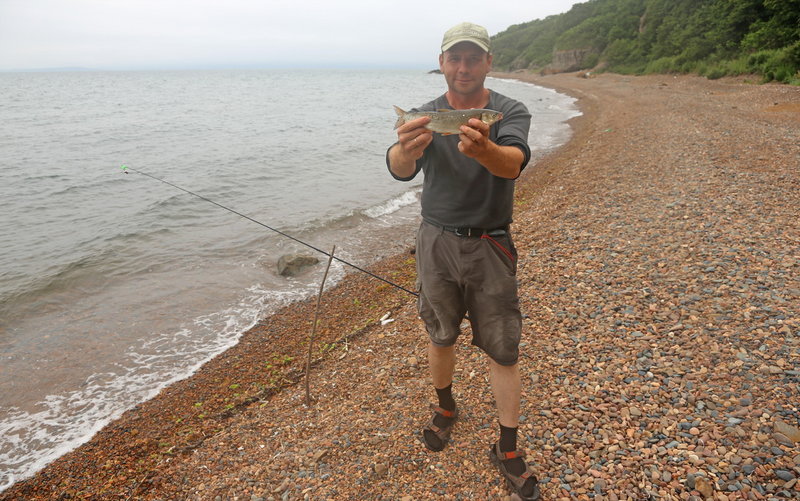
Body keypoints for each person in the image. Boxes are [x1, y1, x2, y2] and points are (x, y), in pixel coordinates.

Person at [386, 21, 540, 500]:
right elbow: (398, 169)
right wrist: (404, 149)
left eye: (474, 58)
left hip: (491, 244)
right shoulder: (425, 115)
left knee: (503, 347)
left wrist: (485, 148)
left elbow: (512, 164)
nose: (464, 67)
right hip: (434, 242)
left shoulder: (507, 111)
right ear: (442, 64)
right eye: (455, 58)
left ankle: (508, 447)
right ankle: (446, 408)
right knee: (440, 333)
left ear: (488, 63)